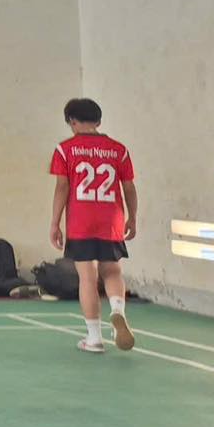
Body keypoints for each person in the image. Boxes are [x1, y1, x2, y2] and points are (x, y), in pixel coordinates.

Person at [49, 99, 138, 353]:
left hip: (81, 221)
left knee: (87, 277)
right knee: (113, 271)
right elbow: (129, 188)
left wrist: (55, 223)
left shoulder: (65, 149)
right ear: (98, 121)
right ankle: (117, 310)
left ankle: (94, 338)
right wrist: (132, 217)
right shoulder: (118, 150)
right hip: (111, 220)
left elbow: (62, 187)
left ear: (72, 122)